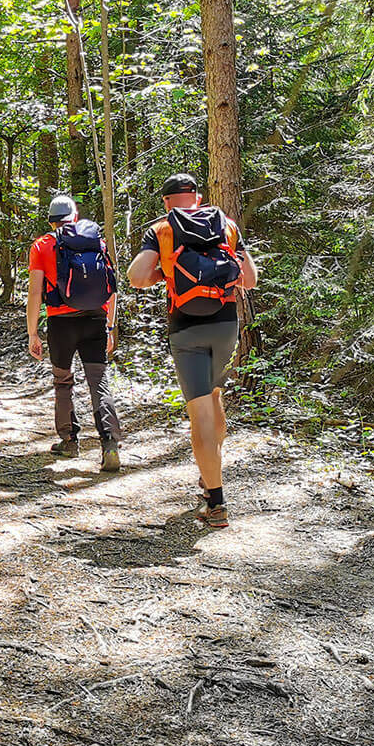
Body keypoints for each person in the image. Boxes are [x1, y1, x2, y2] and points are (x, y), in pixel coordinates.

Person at [127, 174, 258, 527]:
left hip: (186, 328)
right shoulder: (227, 226)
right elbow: (249, 279)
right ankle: (209, 474)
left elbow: (136, 276)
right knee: (214, 398)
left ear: (167, 202)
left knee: (199, 409)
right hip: (226, 324)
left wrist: (166, 275)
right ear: (197, 198)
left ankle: (215, 502)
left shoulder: (162, 229)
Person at [27, 195, 122, 472]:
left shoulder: (42, 245)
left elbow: (35, 292)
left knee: (63, 381)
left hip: (61, 322)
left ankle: (69, 441)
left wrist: (33, 332)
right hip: (96, 319)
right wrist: (110, 326)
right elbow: (111, 287)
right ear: (75, 218)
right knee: (99, 382)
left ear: (50, 220)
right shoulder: (96, 241)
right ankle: (110, 445)